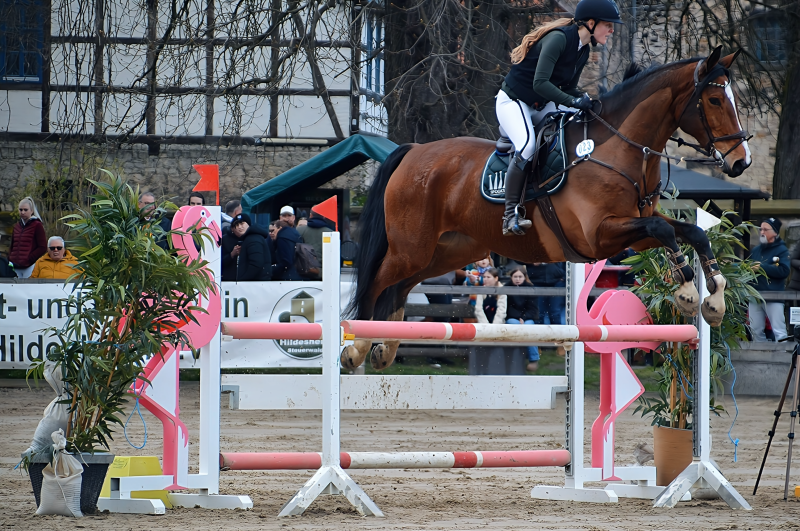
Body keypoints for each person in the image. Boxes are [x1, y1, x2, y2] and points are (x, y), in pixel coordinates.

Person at [496, 0, 622, 235]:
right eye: (608, 25)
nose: (612, 30)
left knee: (582, 122)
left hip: (541, 103)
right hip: (514, 102)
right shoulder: (559, 39)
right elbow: (540, 83)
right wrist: (574, 101)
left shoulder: (583, 49)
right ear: (591, 23)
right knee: (528, 146)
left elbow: (567, 88)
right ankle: (510, 214)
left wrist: (588, 102)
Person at [748, 217, 790, 342]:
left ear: (775, 232)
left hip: (774, 296)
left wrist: (761, 267)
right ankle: (759, 358)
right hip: (755, 295)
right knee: (755, 330)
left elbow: (784, 270)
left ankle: (783, 356)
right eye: (761, 229)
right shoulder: (755, 250)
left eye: (765, 229)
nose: (762, 232)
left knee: (779, 331)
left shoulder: (782, 250)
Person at [505, 267, 540, 372]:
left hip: (527, 318)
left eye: (520, 276)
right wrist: (518, 318)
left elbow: (533, 309)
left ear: (524, 277)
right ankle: (513, 360)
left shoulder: (530, 289)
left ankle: (533, 359)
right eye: (515, 276)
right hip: (511, 317)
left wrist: (523, 318)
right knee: (514, 325)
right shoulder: (506, 288)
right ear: (511, 277)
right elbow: (507, 307)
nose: (517, 279)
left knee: (529, 328)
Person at [9, 197, 47, 278]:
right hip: (15, 266)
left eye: (25, 210)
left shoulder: (37, 225)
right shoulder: (17, 226)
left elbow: (43, 247)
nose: (22, 212)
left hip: (29, 267)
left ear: (32, 211)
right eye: (20, 209)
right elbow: (12, 245)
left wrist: (30, 258)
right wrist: (10, 258)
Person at [226, 214, 271, 281]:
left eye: (242, 224)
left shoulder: (253, 239)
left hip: (255, 284)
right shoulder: (249, 238)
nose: (239, 227)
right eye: (236, 225)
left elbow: (256, 264)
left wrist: (243, 279)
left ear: (248, 224)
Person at [297, 205, 334, 279]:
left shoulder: (299, 230)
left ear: (310, 215)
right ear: (324, 216)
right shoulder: (331, 233)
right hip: (324, 275)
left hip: (302, 274)